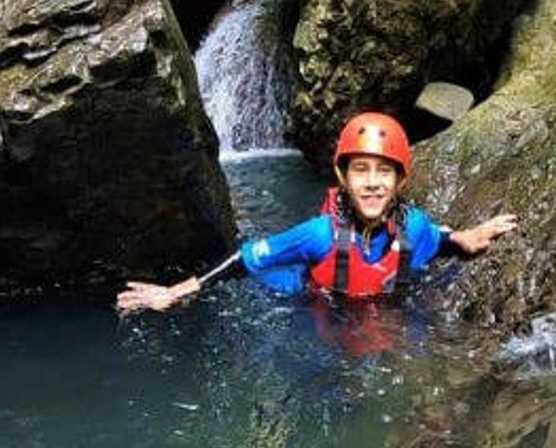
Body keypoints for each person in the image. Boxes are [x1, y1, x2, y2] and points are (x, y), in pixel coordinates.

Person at [116, 112, 518, 314]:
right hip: (321, 311)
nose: (374, 183)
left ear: (399, 181)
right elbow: (245, 257)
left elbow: (441, 236)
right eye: (361, 170)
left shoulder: (415, 226)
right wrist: (176, 292)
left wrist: (465, 237)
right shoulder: (319, 235)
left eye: (384, 172)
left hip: (381, 316)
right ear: (344, 177)